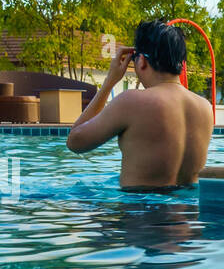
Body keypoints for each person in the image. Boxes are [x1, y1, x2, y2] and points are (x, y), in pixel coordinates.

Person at [66, 20, 213, 192]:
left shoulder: (132, 101)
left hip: (139, 213)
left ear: (141, 61)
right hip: (188, 215)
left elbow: (75, 142)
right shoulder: (205, 108)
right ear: (181, 64)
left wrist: (110, 81)